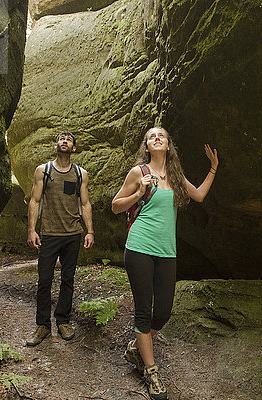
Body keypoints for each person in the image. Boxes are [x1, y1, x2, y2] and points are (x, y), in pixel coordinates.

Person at [111, 127, 218, 399]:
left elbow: (199, 196)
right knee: (144, 311)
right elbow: (115, 205)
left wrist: (213, 168)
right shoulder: (139, 172)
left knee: (164, 311)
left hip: (166, 251)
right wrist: (138, 194)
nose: (157, 138)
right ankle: (152, 372)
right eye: (152, 137)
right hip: (139, 247)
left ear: (168, 146)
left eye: (162, 136)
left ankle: (137, 345)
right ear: (147, 146)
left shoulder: (175, 176)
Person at [26, 132, 95, 346]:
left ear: (74, 148)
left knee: (68, 279)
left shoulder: (80, 173)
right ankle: (43, 325)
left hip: (73, 234)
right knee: (44, 280)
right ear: (56, 144)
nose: (65, 141)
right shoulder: (43, 171)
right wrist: (31, 229)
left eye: (69, 139)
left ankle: (63, 321)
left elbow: (84, 203)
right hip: (49, 233)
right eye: (61, 138)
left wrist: (90, 231)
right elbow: (35, 200)